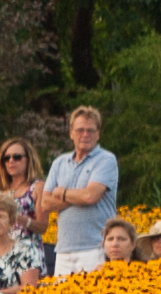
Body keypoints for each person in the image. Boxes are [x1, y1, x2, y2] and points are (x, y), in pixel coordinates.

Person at [37, 107, 121, 263]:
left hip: (95, 247)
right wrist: (79, 196)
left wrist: (61, 193)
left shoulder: (106, 160)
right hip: (63, 250)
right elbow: (45, 202)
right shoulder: (60, 163)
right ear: (71, 133)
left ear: (98, 134)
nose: (85, 135)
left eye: (90, 131)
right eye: (80, 130)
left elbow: (90, 196)